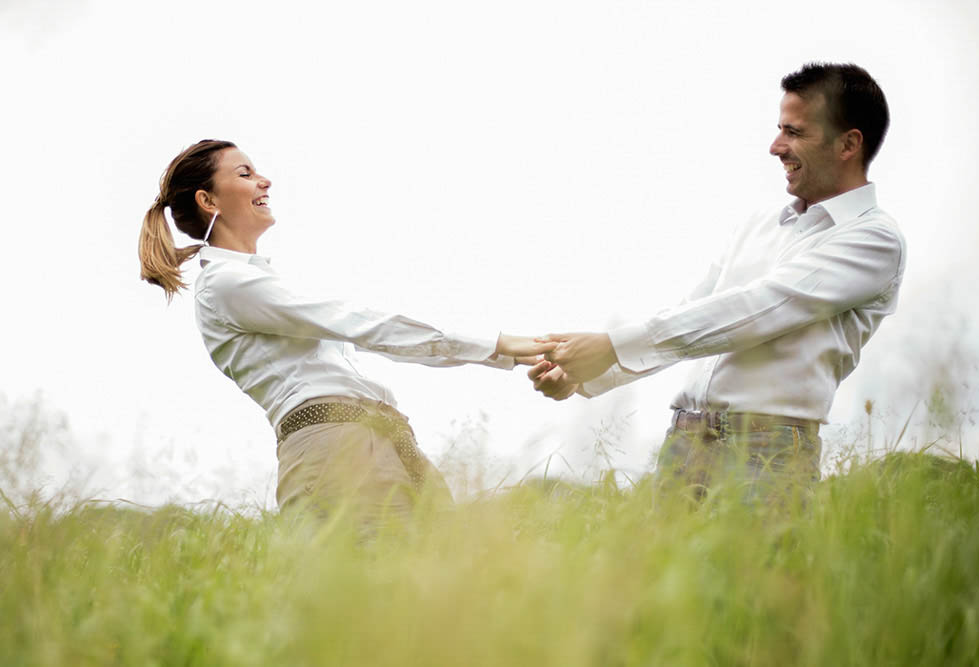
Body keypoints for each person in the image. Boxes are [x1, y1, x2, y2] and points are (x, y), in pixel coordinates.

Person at [528, 62, 905, 501]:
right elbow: (691, 315)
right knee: (658, 571)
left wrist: (611, 344)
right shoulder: (760, 224)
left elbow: (754, 309)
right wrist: (587, 374)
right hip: (684, 442)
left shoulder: (873, 238)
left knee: (758, 571)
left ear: (848, 143)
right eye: (779, 129)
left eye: (795, 132)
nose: (775, 147)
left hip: (767, 453)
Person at [138, 139, 552, 528]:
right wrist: (499, 346)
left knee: (440, 591)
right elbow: (362, 324)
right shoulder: (226, 284)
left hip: (375, 441)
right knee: (380, 591)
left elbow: (366, 332)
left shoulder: (249, 282)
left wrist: (504, 352)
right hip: (336, 448)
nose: (264, 181)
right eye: (245, 173)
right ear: (208, 201)